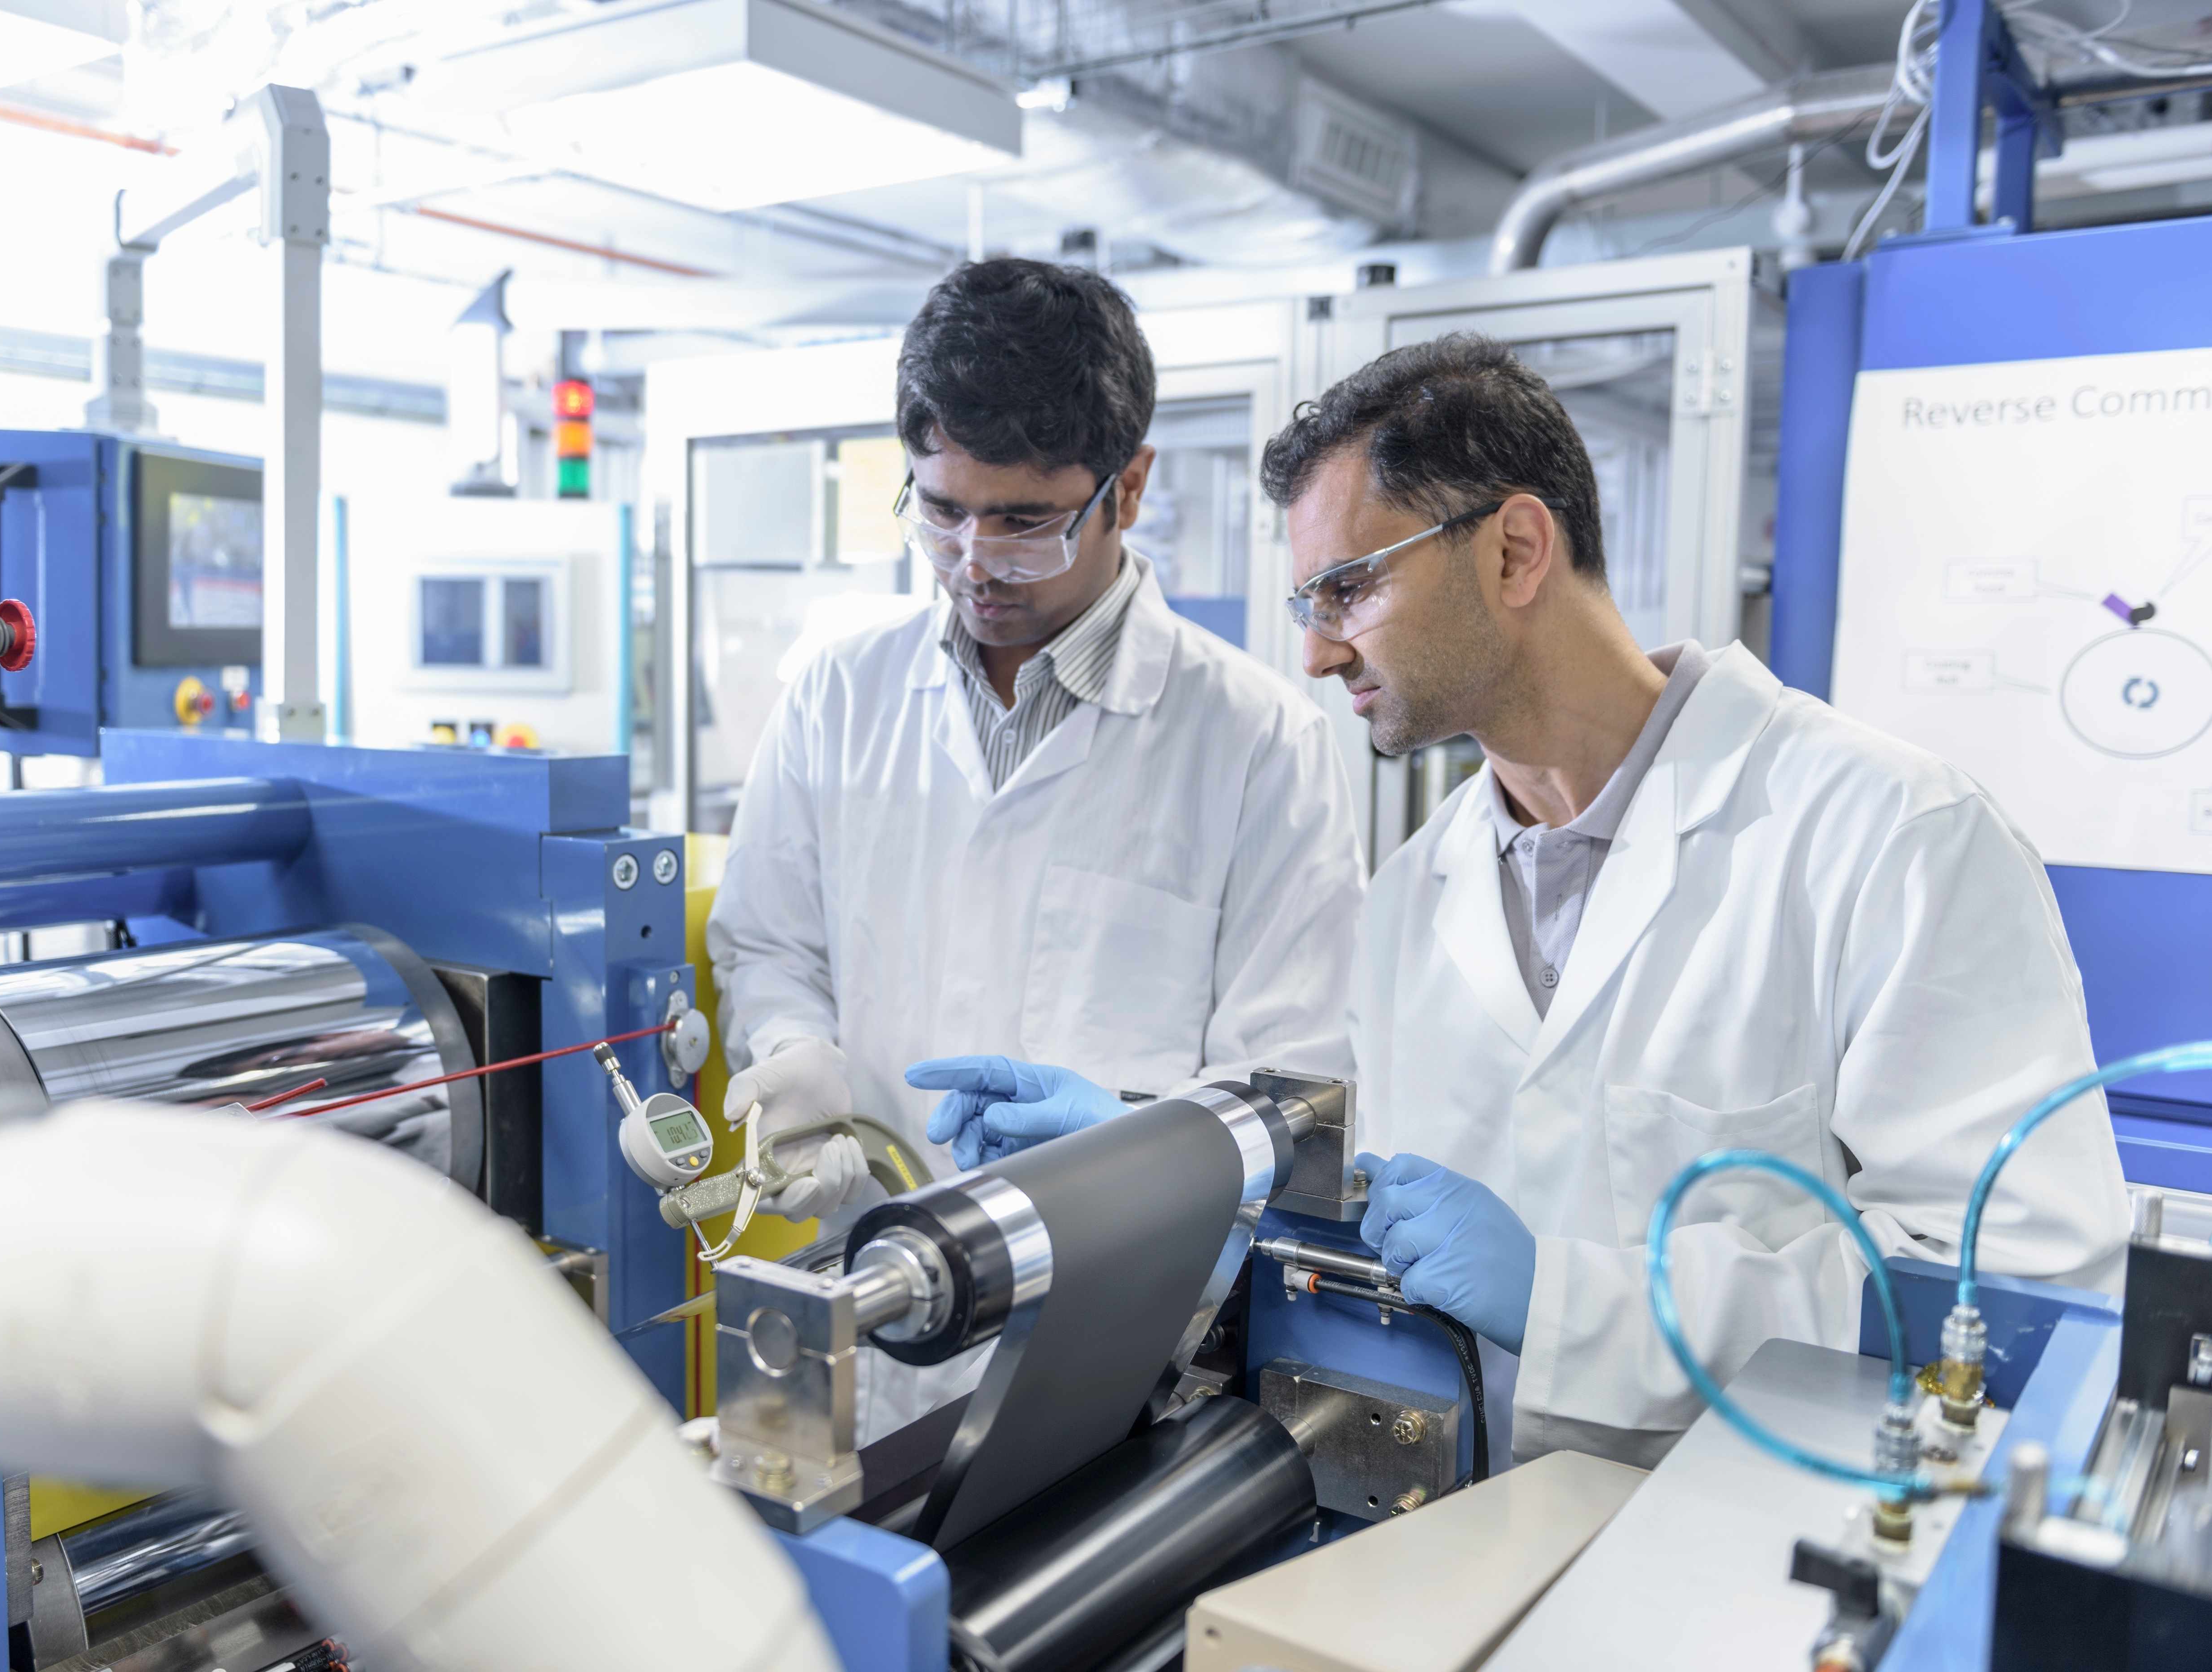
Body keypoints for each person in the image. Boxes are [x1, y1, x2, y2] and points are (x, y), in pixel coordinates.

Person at [922, 332, 2130, 1468]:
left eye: (1347, 589)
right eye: (1309, 605)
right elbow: (1369, 1216)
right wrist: (1156, 1160)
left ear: (1513, 550)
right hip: (1459, 1546)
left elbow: (2024, 1293)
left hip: (1745, 1570)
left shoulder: (1888, 838)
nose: (1318, 652)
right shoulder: (1414, 897)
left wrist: (1576, 1302)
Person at [705, 259, 1365, 1438]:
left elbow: (1294, 1091)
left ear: (1132, 484)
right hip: (874, 1315)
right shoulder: (838, 692)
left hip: (1119, 1350)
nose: (974, 561)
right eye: (942, 509)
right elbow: (768, 937)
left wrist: (1132, 1142)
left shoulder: (1262, 744)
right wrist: (798, 1048)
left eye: (1025, 521)